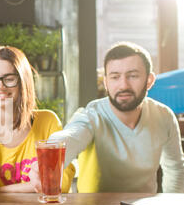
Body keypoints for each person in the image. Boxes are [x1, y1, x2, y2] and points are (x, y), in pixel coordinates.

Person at [49, 41, 184, 193]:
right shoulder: (91, 115)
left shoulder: (164, 116)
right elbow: (71, 136)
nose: (123, 85)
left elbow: (175, 169)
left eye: (133, 76)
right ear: (106, 82)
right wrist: (49, 154)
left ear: (149, 80)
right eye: (115, 77)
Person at [0, 46, 75, 197]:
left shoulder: (47, 122)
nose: (0, 86)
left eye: (9, 79)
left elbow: (62, 182)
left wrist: (1, 191)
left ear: (23, 81)